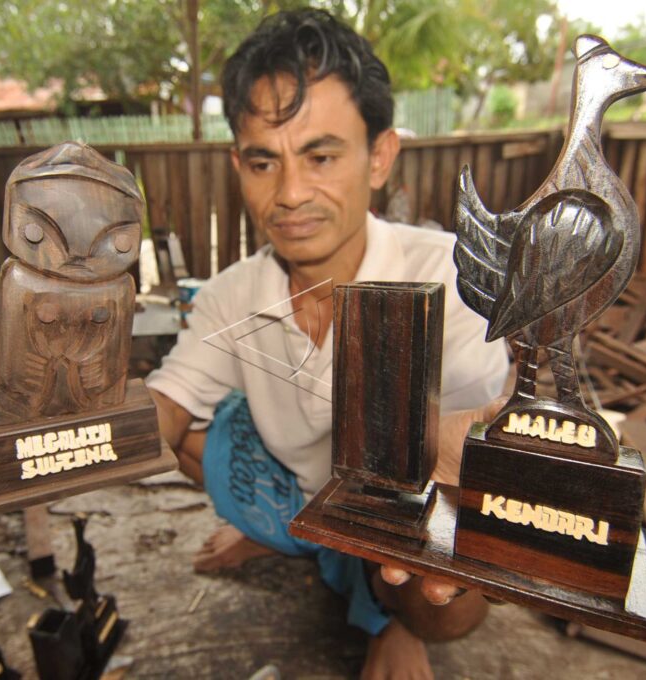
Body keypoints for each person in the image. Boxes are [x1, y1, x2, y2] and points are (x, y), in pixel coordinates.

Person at [145, 8, 508, 679]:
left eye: (320, 155)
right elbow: (165, 402)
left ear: (379, 157)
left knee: (450, 600)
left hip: (391, 514)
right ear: (238, 164)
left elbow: (464, 470)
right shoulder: (230, 292)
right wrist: (74, 438)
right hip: (299, 486)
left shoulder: (450, 280)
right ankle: (289, 538)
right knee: (193, 437)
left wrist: (473, 455)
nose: (289, 195)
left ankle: (388, 614)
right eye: (263, 161)